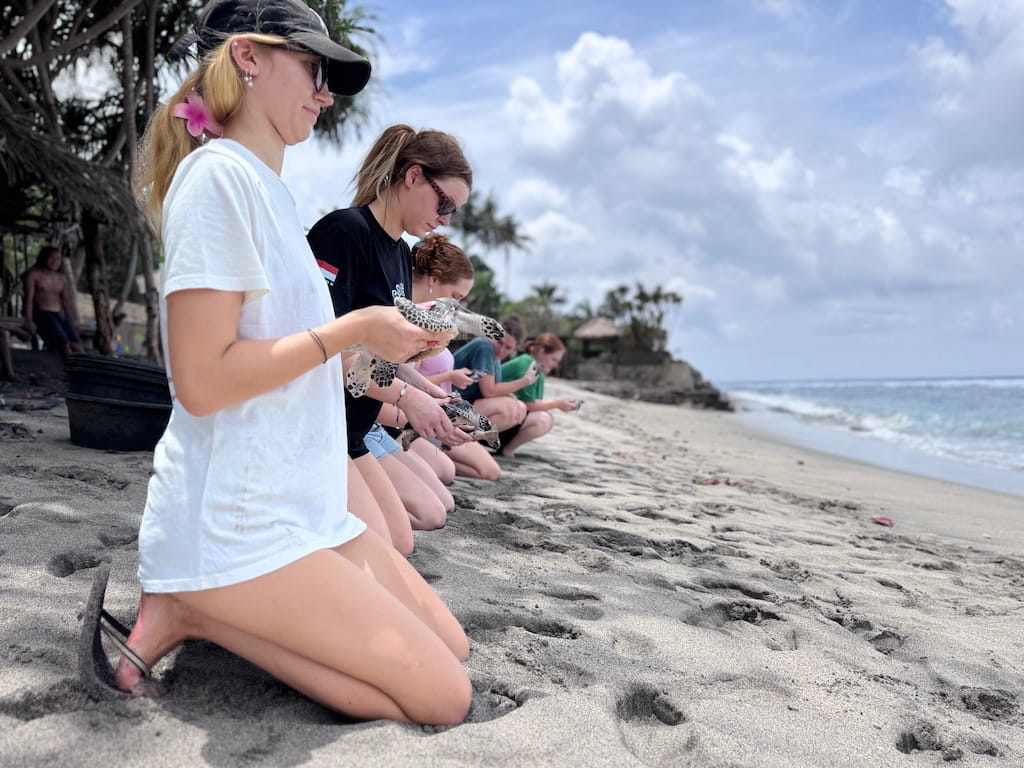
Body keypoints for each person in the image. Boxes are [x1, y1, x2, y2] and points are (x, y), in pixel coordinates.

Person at [82, 0, 471, 726]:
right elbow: (202, 382)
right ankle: (195, 604)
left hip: (303, 505)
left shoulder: (271, 193)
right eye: (314, 69)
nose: (325, 93)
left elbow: (305, 359)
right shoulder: (217, 180)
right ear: (248, 58)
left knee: (455, 649)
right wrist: (352, 328)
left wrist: (393, 368)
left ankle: (192, 608)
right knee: (445, 699)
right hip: (240, 518)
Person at [307, 124, 474, 548]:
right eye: (445, 203)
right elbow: (319, 351)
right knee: (391, 545)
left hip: (352, 430)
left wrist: (433, 398)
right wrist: (406, 398)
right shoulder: (345, 233)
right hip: (316, 428)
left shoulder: (400, 253)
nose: (445, 220)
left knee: (403, 538)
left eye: (454, 212)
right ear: (413, 176)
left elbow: (384, 356)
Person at [400, 233, 501, 481]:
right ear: (434, 279)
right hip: (402, 415)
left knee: (480, 469)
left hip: (423, 410)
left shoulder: (430, 323)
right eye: (456, 297)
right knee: (446, 474)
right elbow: (390, 377)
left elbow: (401, 373)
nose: (459, 306)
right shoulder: (405, 319)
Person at [497, 332, 579, 457]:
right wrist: (558, 404)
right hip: (493, 416)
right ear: (541, 352)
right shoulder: (527, 364)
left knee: (545, 418)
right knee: (543, 420)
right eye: (553, 359)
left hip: (502, 416)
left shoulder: (537, 368)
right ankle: (506, 449)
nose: (555, 365)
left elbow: (535, 402)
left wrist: (560, 404)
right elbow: (530, 405)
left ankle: (505, 447)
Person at [452, 314, 536, 434]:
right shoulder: (485, 346)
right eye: (500, 343)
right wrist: (526, 380)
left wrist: (509, 395)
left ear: (515, 349)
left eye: (508, 347)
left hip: (466, 403)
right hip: (452, 402)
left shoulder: (496, 357)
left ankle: (470, 441)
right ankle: (463, 441)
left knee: (519, 406)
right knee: (508, 408)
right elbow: (489, 391)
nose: (502, 350)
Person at [23, 246, 84, 357]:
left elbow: (66, 302)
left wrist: (72, 321)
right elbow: (29, 299)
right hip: (43, 313)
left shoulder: (62, 279)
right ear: (44, 258)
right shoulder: (34, 275)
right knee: (65, 345)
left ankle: (83, 370)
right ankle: (69, 369)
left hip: (60, 315)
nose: (55, 261)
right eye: (51, 258)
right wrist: (29, 320)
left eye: (58, 259)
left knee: (77, 346)